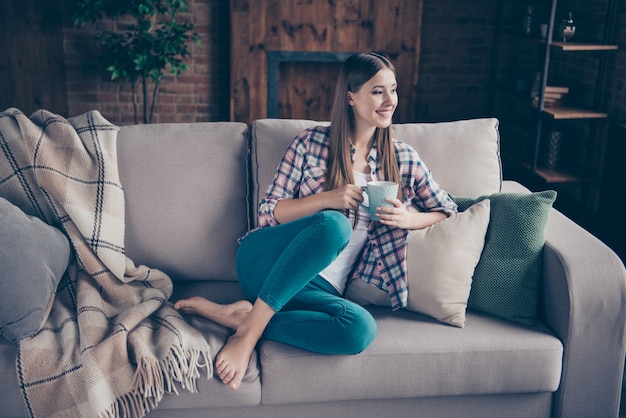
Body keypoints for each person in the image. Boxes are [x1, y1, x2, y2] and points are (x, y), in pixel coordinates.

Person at [175, 51, 458, 391]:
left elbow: (448, 210)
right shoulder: (311, 143)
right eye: (377, 91)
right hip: (265, 263)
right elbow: (269, 211)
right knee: (333, 224)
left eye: (393, 90)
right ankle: (247, 335)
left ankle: (244, 317)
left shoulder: (403, 158)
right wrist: (329, 199)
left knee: (359, 330)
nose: (389, 101)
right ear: (351, 96)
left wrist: (408, 219)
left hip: (317, 290)